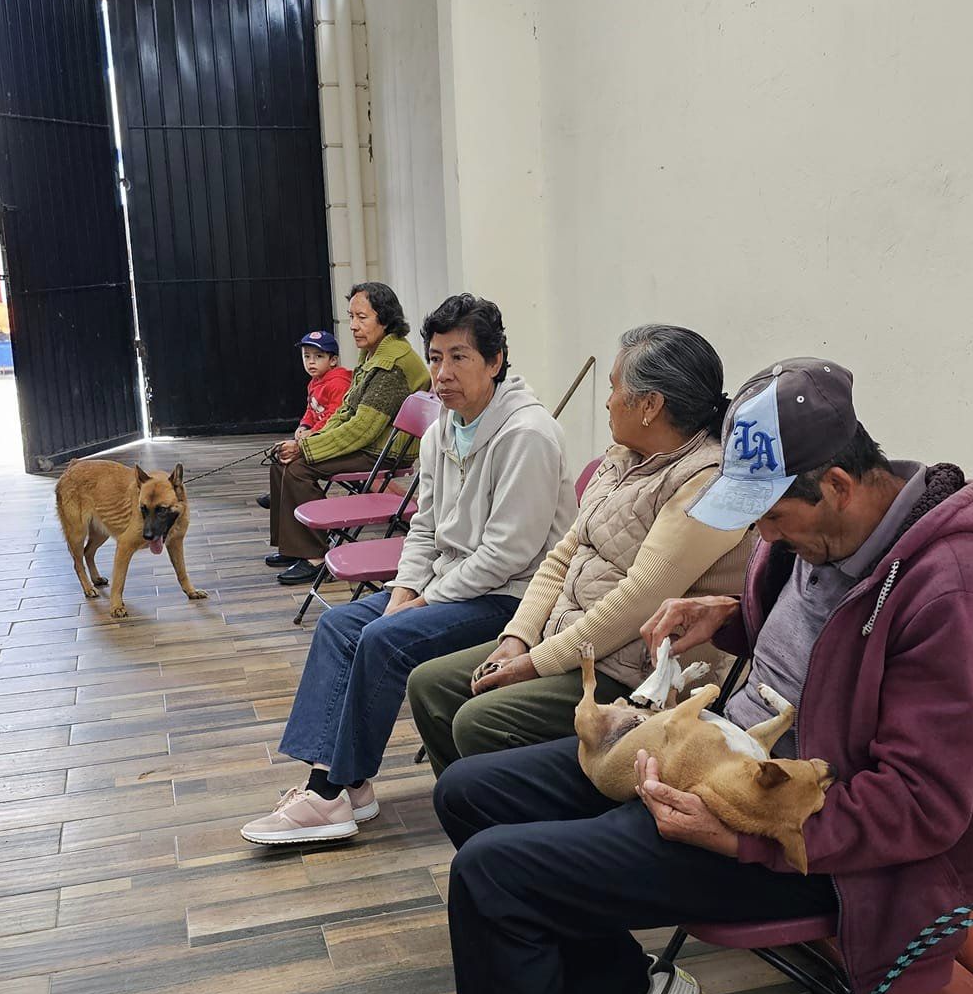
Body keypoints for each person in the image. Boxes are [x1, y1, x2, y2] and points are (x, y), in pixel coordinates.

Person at [399, 357, 973, 994]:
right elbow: (814, 637)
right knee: (471, 789)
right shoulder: (817, 539)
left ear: (841, 484)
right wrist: (728, 616)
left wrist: (744, 844)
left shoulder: (955, 593)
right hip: (710, 760)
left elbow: (927, 806)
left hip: (802, 848)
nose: (763, 535)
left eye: (773, 515)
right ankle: (631, 992)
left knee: (496, 881)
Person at [242, 294, 577, 849]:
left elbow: (509, 554)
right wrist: (405, 588)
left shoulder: (527, 435)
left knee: (383, 639)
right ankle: (348, 788)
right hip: (454, 586)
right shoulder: (447, 426)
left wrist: (425, 600)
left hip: (516, 599)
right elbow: (423, 526)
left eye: (460, 358)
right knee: (339, 626)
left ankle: (330, 789)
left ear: (496, 362)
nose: (442, 374)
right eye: (436, 357)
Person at [407, 324, 751, 774]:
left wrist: (536, 663)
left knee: (479, 721)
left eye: (613, 387)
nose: (607, 400)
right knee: (430, 684)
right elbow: (562, 554)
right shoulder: (626, 456)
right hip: (569, 640)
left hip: (632, 671)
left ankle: (509, 821)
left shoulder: (705, 482)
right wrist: (518, 638)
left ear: (650, 406)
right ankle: (475, 808)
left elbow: (637, 601)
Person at [267, 282, 430, 583]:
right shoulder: (373, 352)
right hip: (371, 444)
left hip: (383, 453)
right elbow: (346, 410)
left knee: (297, 468)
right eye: (351, 316)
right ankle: (293, 545)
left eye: (362, 317)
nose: (353, 325)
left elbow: (361, 430)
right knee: (282, 460)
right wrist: (308, 438)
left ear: (385, 318)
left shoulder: (391, 363)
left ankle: (315, 557)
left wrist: (305, 449)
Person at [256, 331, 351, 510]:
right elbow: (310, 409)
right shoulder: (315, 382)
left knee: (294, 459)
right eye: (306, 356)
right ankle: (281, 494)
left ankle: (315, 507)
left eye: (318, 356)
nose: (311, 361)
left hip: (329, 438)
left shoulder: (338, 383)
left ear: (333, 360)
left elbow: (335, 416)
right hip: (315, 434)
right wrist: (304, 425)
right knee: (282, 453)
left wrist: (312, 432)